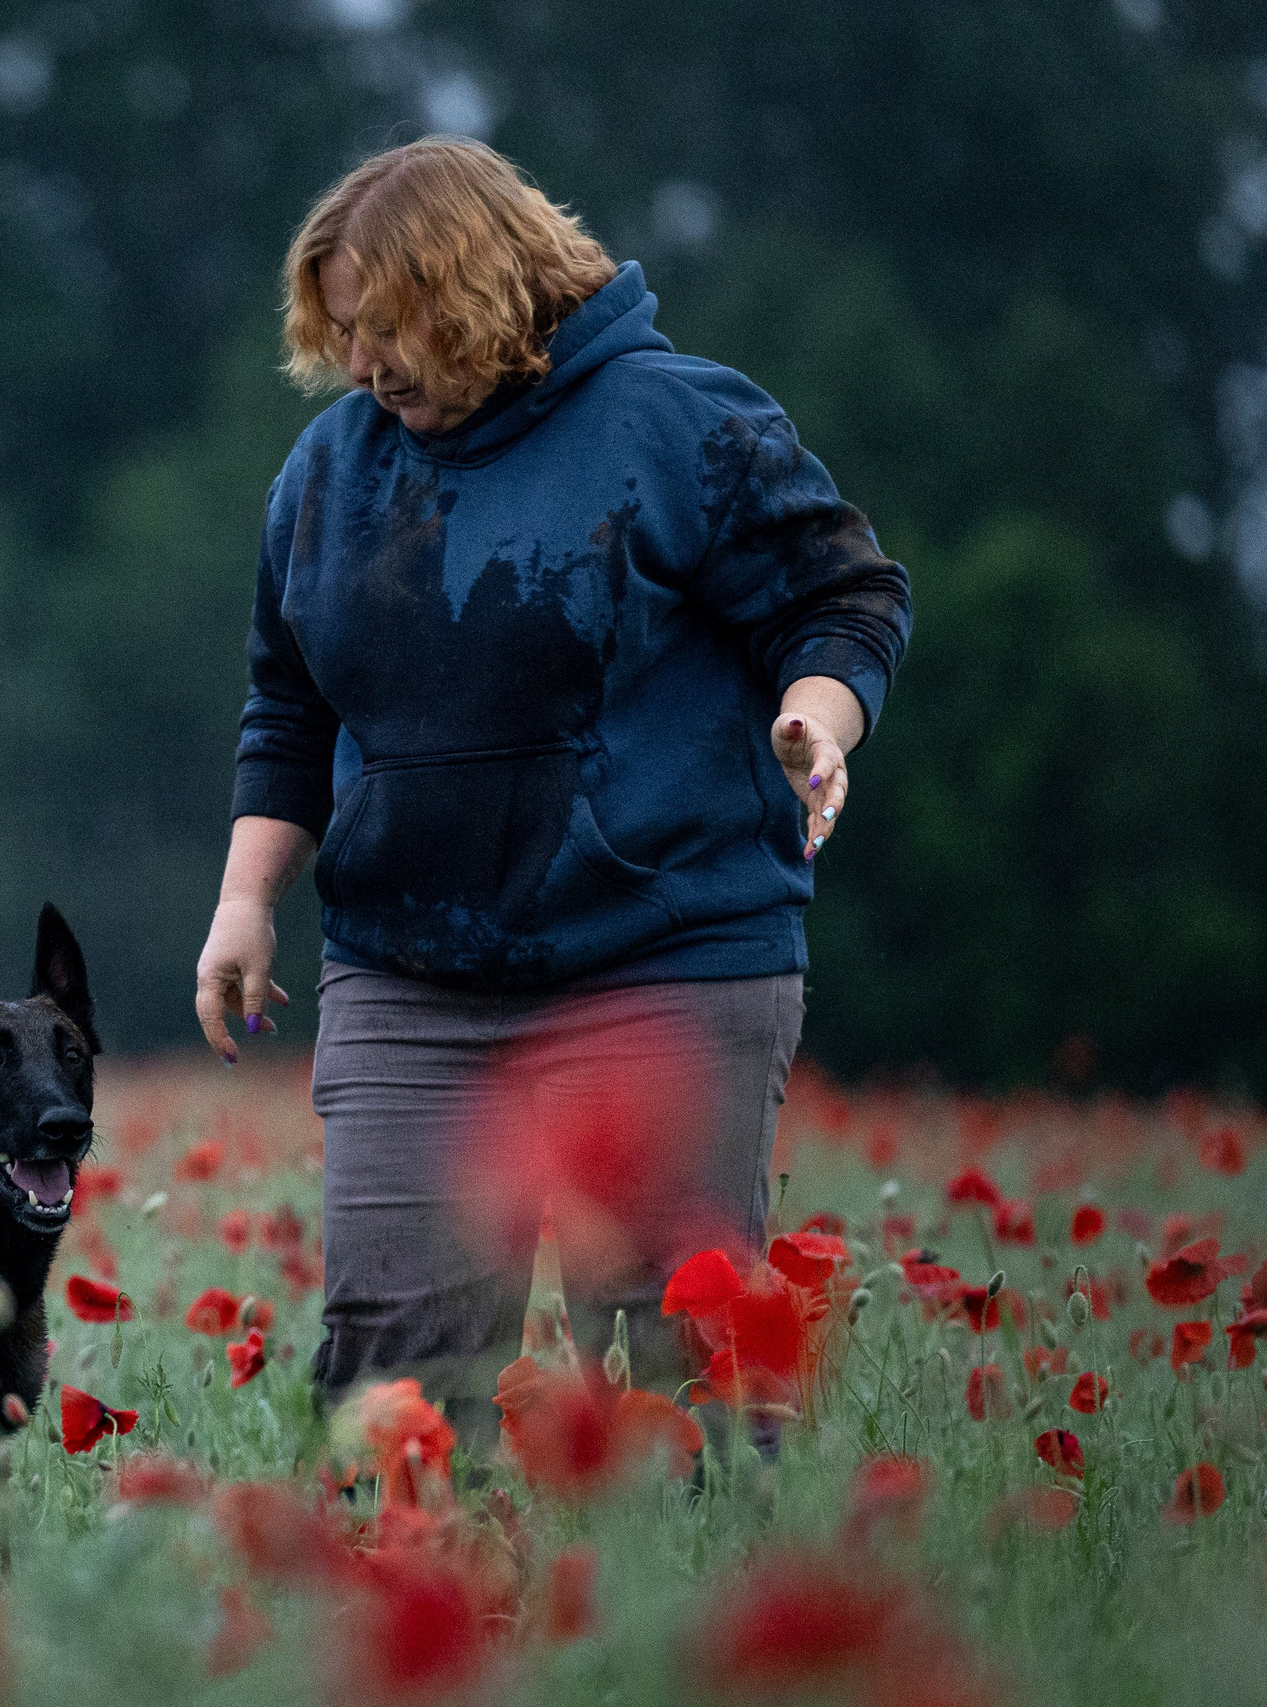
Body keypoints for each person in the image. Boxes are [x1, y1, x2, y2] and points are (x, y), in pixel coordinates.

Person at [194, 138, 911, 1437]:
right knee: (394, 1385)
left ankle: (688, 1625)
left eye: (388, 325)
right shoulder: (328, 475)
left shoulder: (679, 422)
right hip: (408, 974)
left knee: (672, 1372)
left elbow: (842, 598)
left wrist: (817, 718)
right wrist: (247, 899)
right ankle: (432, 1615)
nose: (361, 363)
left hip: (662, 962)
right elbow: (288, 704)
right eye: (342, 332)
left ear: (472, 286)